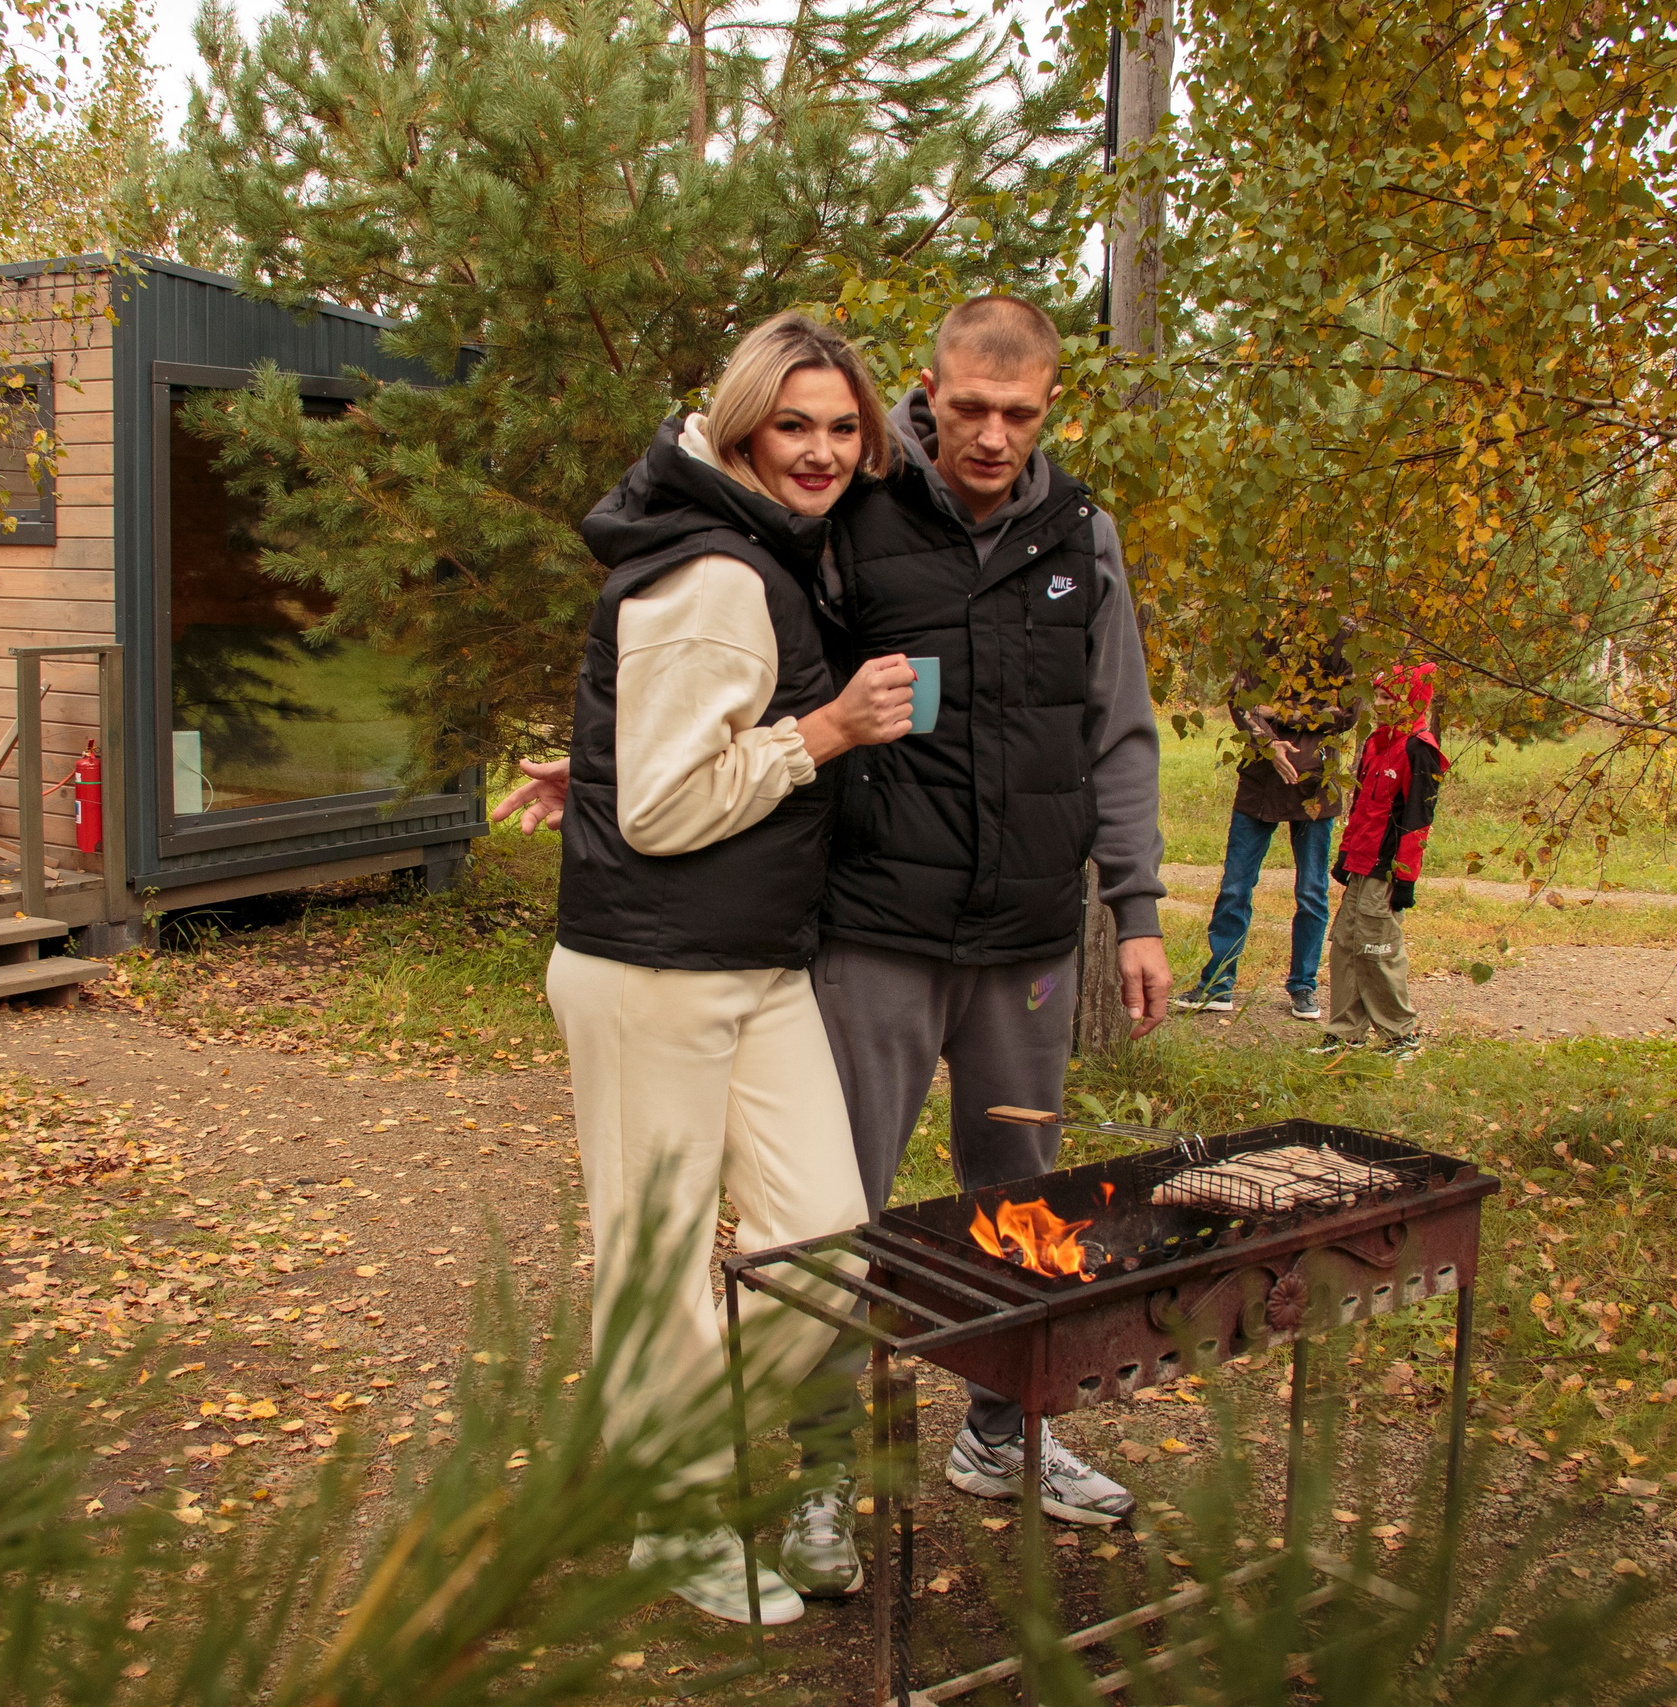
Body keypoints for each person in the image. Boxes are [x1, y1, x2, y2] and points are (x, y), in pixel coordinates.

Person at [499, 294, 1172, 1571]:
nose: (987, 435)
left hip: (1028, 937)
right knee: (832, 1230)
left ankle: (1003, 1429)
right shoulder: (847, 514)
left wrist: (1132, 911)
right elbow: (729, 659)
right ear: (925, 392)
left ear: (1050, 411)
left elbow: (1119, 731)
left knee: (1017, 1198)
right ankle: (820, 1477)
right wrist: (608, 768)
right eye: (965, 407)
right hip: (871, 927)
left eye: (1016, 414)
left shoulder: (1083, 534)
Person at [542, 310, 919, 1626]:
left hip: (751, 960)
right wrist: (823, 729)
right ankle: (673, 1511)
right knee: (655, 1262)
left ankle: (655, 1447)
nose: (819, 450)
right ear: (744, 424)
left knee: (823, 1239)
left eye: (840, 427)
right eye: (793, 423)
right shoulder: (718, 572)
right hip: (654, 967)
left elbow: (654, 745)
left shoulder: (757, 550)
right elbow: (659, 807)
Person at [1173, 629, 1362, 1022]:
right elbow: (1241, 702)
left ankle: (1303, 986)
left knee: (1312, 892)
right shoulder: (1267, 631)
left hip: (1315, 786)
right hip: (1259, 783)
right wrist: (1267, 740)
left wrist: (1282, 713)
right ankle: (1219, 984)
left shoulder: (1346, 639)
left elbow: (1349, 711)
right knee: (1235, 886)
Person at [1312, 663, 1449, 1058]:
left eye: (1390, 698)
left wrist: (1405, 879)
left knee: (1377, 948)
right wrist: (1345, 853)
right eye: (1379, 697)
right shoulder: (1375, 742)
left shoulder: (1419, 749)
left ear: (1411, 702)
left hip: (1387, 867)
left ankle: (1400, 1034)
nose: (1381, 705)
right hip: (1361, 862)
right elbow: (1362, 808)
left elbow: (1417, 822)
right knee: (1345, 944)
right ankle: (1345, 1032)